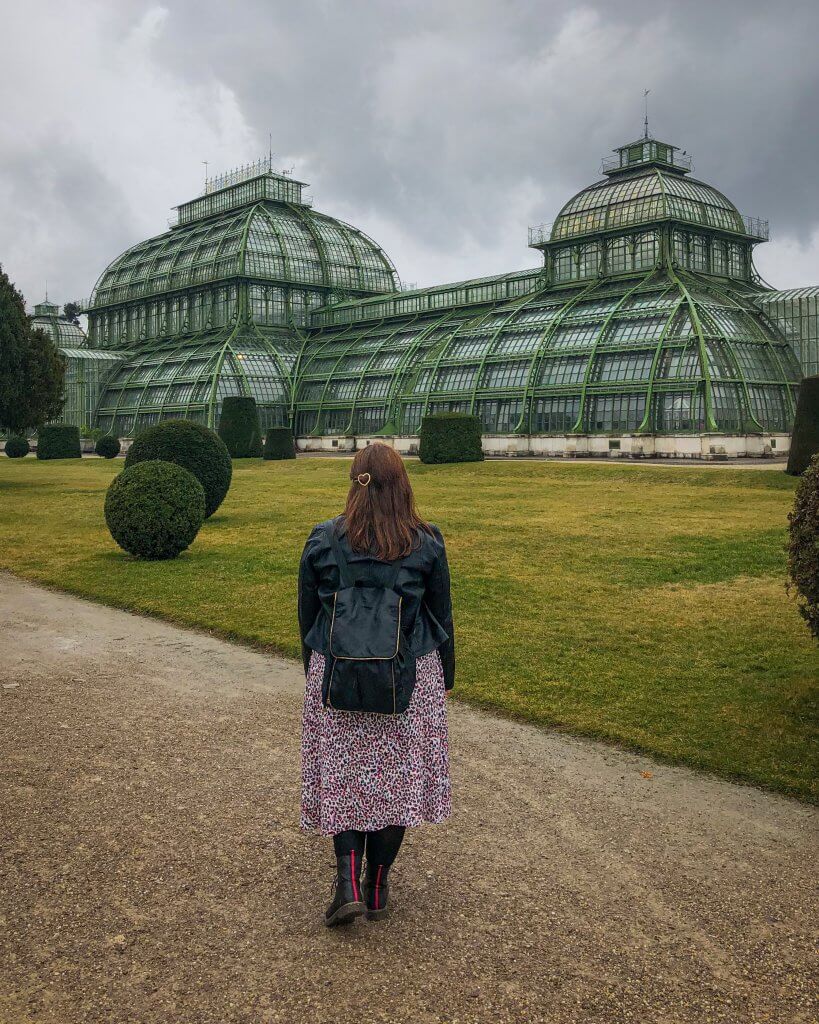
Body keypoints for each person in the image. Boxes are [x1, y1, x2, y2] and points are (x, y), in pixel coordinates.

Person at [298, 442, 454, 926]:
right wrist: (447, 675)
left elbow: (307, 613)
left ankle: (347, 881)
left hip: (338, 671)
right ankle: (378, 886)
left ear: (354, 484)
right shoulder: (425, 541)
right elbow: (442, 614)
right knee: (398, 782)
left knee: (343, 776)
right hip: (408, 677)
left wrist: (313, 669)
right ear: (402, 485)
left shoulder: (324, 539)